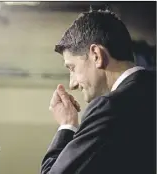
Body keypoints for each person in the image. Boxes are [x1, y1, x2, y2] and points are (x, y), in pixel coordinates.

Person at [41, 9, 156, 174]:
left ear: (96, 55)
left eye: (72, 68)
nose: (72, 84)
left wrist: (67, 125)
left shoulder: (110, 108)